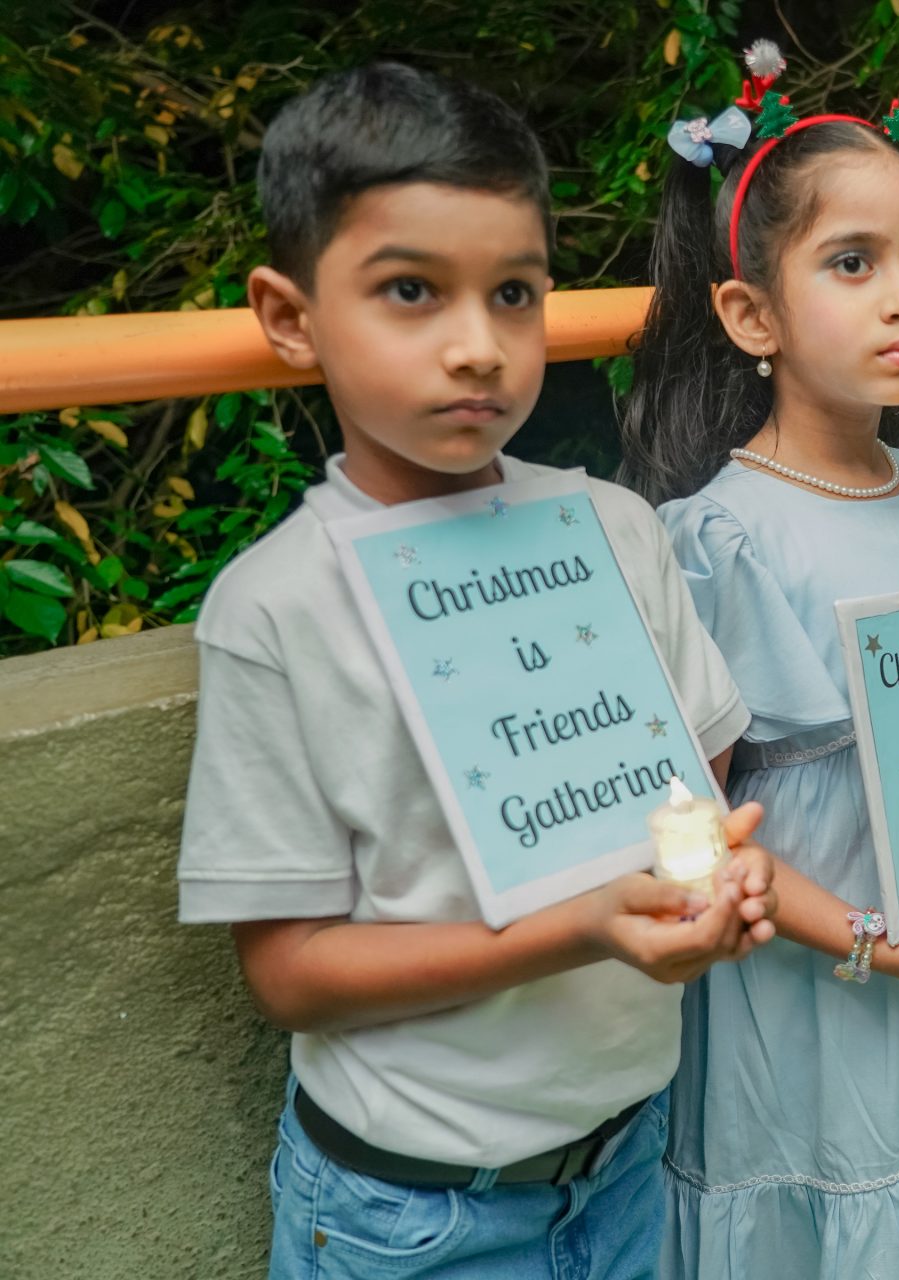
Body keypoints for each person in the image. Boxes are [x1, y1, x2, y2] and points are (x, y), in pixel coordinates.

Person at [176, 64, 778, 1279]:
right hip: (415, 1210)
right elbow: (289, 970)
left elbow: (691, 781)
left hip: (626, 1156)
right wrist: (578, 929)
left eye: (514, 293)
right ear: (290, 317)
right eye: (410, 290)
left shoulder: (614, 527)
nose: (476, 346)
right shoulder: (276, 607)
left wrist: (717, 882)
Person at [620, 47, 899, 1280]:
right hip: (804, 1003)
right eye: (853, 262)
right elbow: (695, 836)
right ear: (750, 314)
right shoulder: (719, 539)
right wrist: (878, 937)